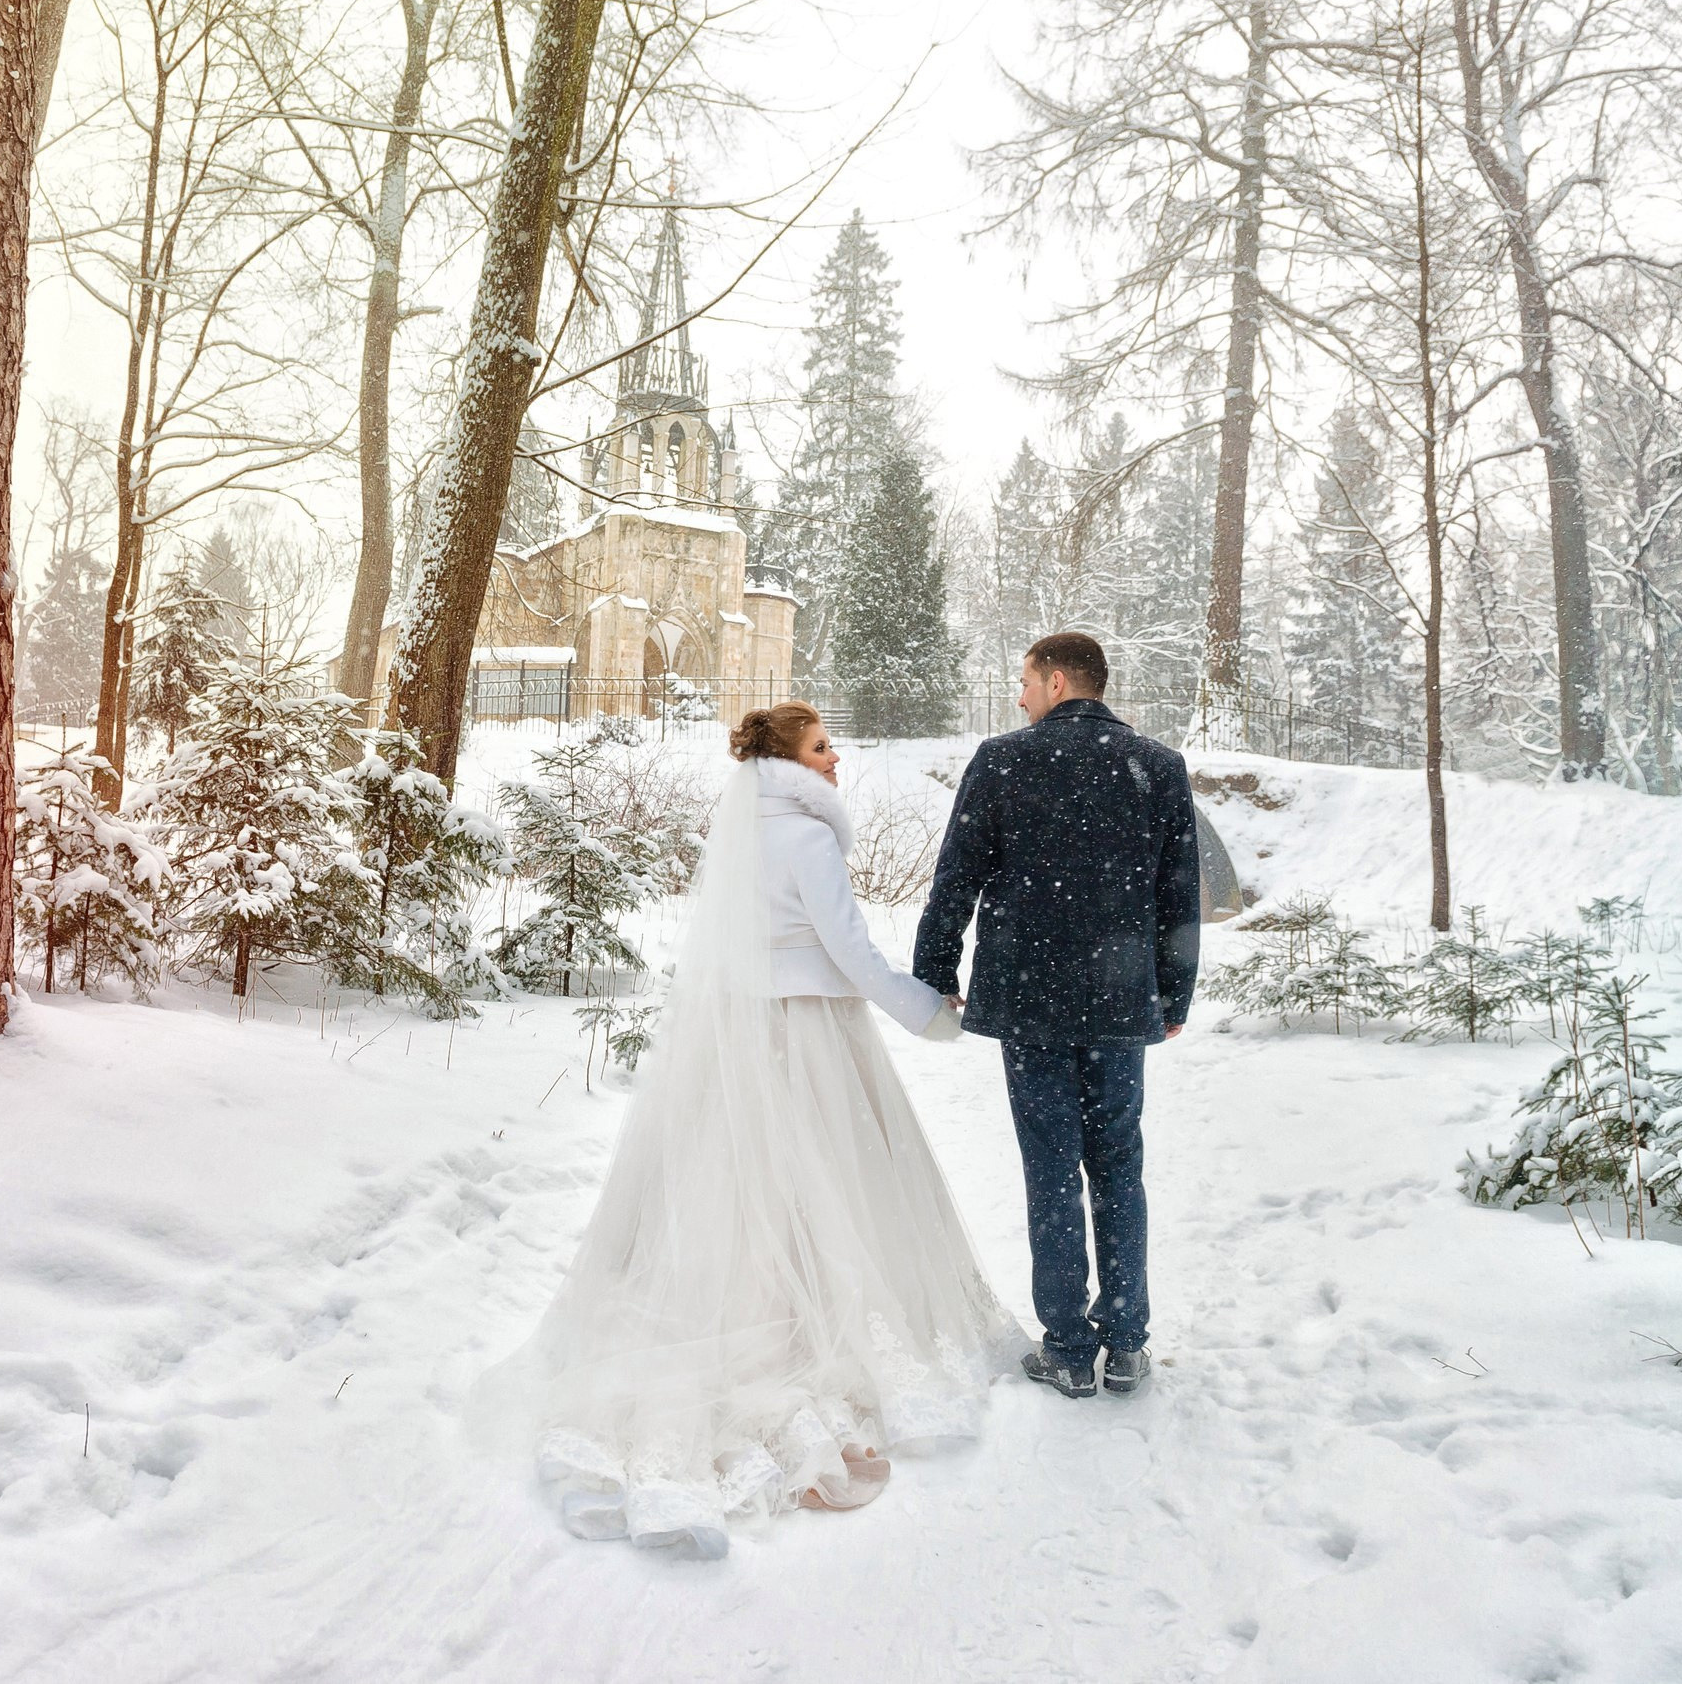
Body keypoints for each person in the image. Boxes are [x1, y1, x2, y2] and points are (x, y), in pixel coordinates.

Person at [486, 701, 1015, 1558]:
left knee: (738, 1184)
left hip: (739, 1032)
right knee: (824, 1182)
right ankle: (802, 1331)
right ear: (790, 761)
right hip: (807, 1034)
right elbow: (848, 953)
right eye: (822, 746)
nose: (836, 757)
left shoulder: (746, 830)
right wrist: (930, 1015)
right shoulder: (806, 837)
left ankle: (745, 1304)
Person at [913, 632, 1204, 1400]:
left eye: (1024, 681)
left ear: (1054, 678)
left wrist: (934, 971)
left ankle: (1070, 1348)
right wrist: (1173, 995)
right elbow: (1179, 897)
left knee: (1050, 1170)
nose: (1019, 696)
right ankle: (1130, 1341)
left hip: (1031, 1000)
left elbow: (957, 877)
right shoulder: (1158, 768)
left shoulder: (1003, 760)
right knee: (1118, 1167)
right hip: (1118, 1000)